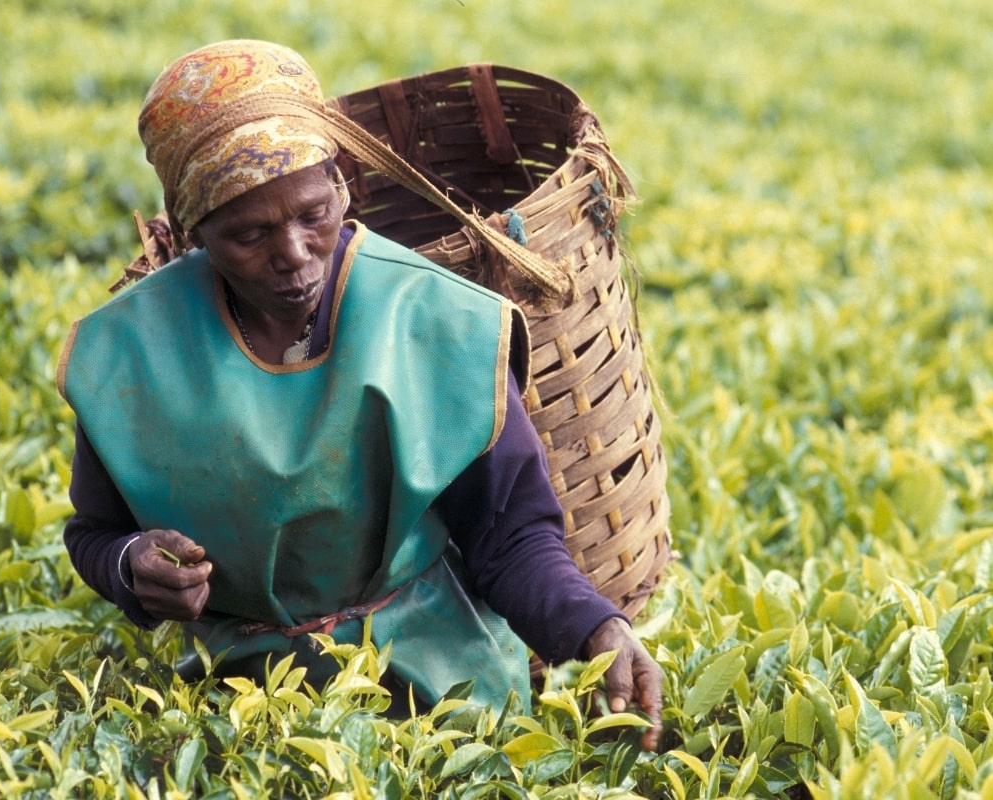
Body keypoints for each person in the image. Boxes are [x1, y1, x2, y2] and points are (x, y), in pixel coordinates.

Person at [58, 39, 662, 750]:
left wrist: (597, 629)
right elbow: (95, 533)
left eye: (313, 214)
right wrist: (132, 567)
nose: (291, 253)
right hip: (241, 700)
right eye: (249, 233)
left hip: (441, 684)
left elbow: (509, 535)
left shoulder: (436, 319)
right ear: (193, 234)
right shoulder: (133, 351)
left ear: (343, 184)